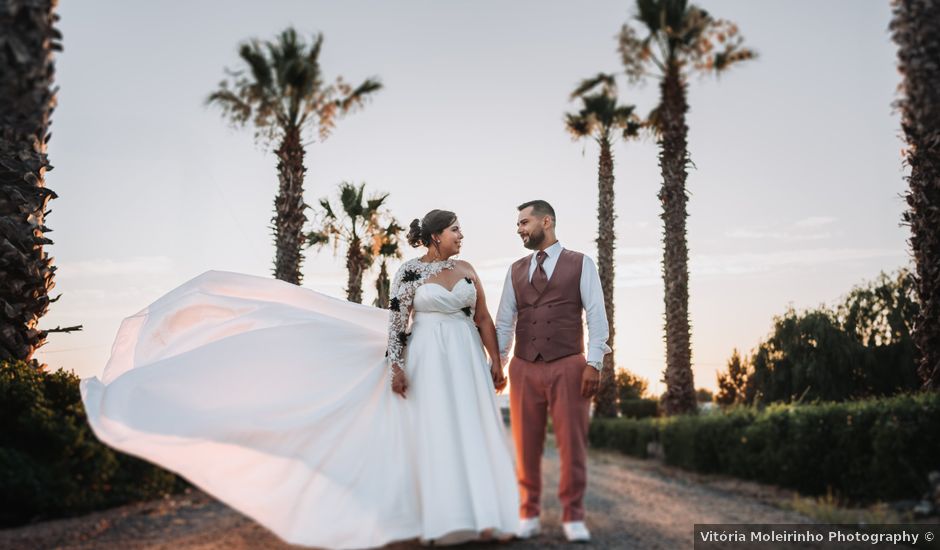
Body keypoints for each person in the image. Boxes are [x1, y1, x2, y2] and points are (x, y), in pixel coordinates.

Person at [79, 209, 519, 550]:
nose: (461, 236)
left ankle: (488, 515)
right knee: (434, 433)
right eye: (456, 229)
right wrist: (396, 365)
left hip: (463, 359)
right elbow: (396, 323)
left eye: (461, 231)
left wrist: (496, 363)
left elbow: (481, 316)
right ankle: (442, 518)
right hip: (426, 358)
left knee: (472, 432)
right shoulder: (407, 272)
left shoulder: (468, 270)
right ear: (435, 235)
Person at [494, 199, 611, 543]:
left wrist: (594, 362)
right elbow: (504, 321)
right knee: (525, 443)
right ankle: (528, 512)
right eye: (518, 224)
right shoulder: (515, 269)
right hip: (524, 367)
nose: (519, 229)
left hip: (569, 365)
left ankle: (573, 516)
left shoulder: (581, 263)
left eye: (524, 222)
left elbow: (596, 315)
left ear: (547, 222)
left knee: (572, 443)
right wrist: (499, 365)